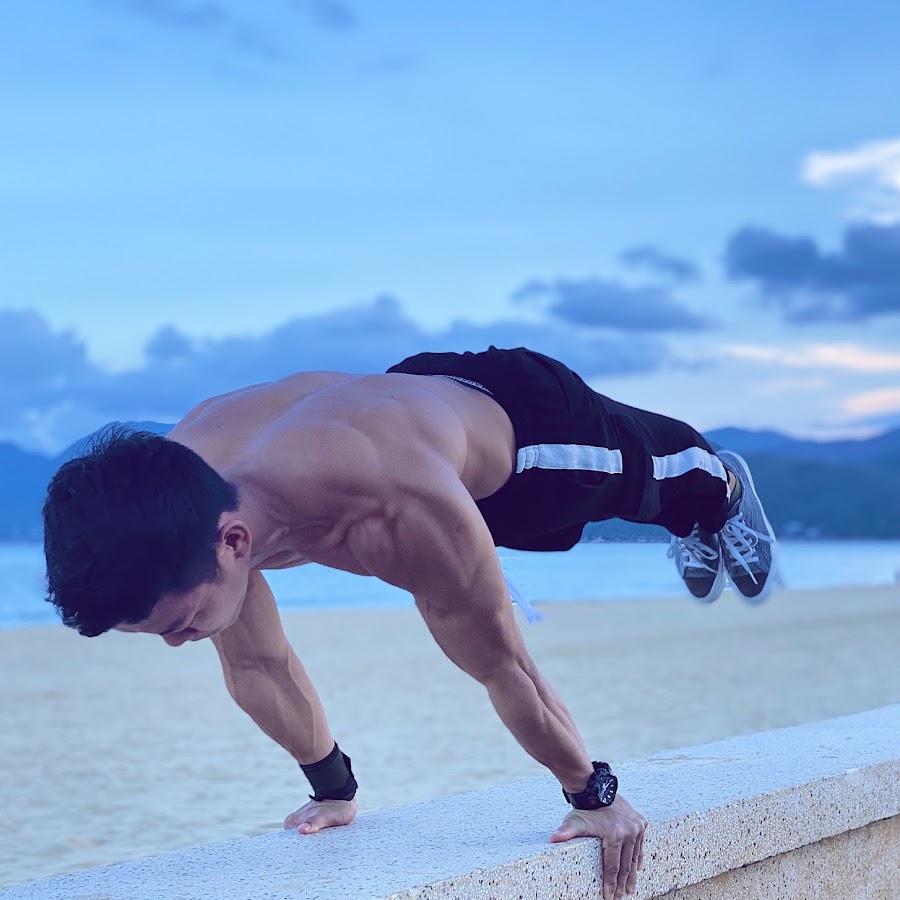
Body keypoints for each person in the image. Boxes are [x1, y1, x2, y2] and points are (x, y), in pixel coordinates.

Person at [42, 346, 778, 900]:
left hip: (525, 441)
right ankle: (699, 510)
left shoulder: (387, 507)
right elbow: (258, 665)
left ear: (235, 544)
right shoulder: (182, 506)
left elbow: (504, 668)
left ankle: (721, 496)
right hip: (402, 419)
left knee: (656, 481)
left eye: (177, 624)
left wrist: (594, 796)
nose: (178, 642)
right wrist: (332, 788)